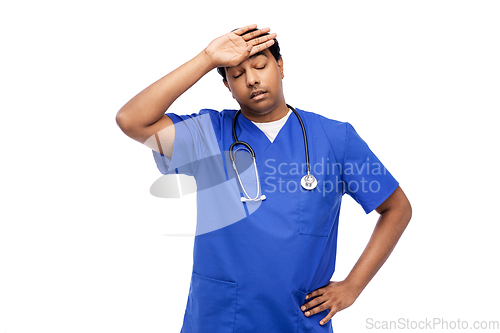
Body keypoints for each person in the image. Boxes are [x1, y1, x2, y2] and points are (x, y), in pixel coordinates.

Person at [116, 24, 412, 333]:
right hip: (218, 321)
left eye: (260, 66)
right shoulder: (207, 135)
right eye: (237, 74)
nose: (253, 79)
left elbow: (397, 208)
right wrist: (206, 58)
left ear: (281, 66)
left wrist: (353, 286)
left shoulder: (336, 138)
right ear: (227, 86)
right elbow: (131, 120)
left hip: (297, 320)